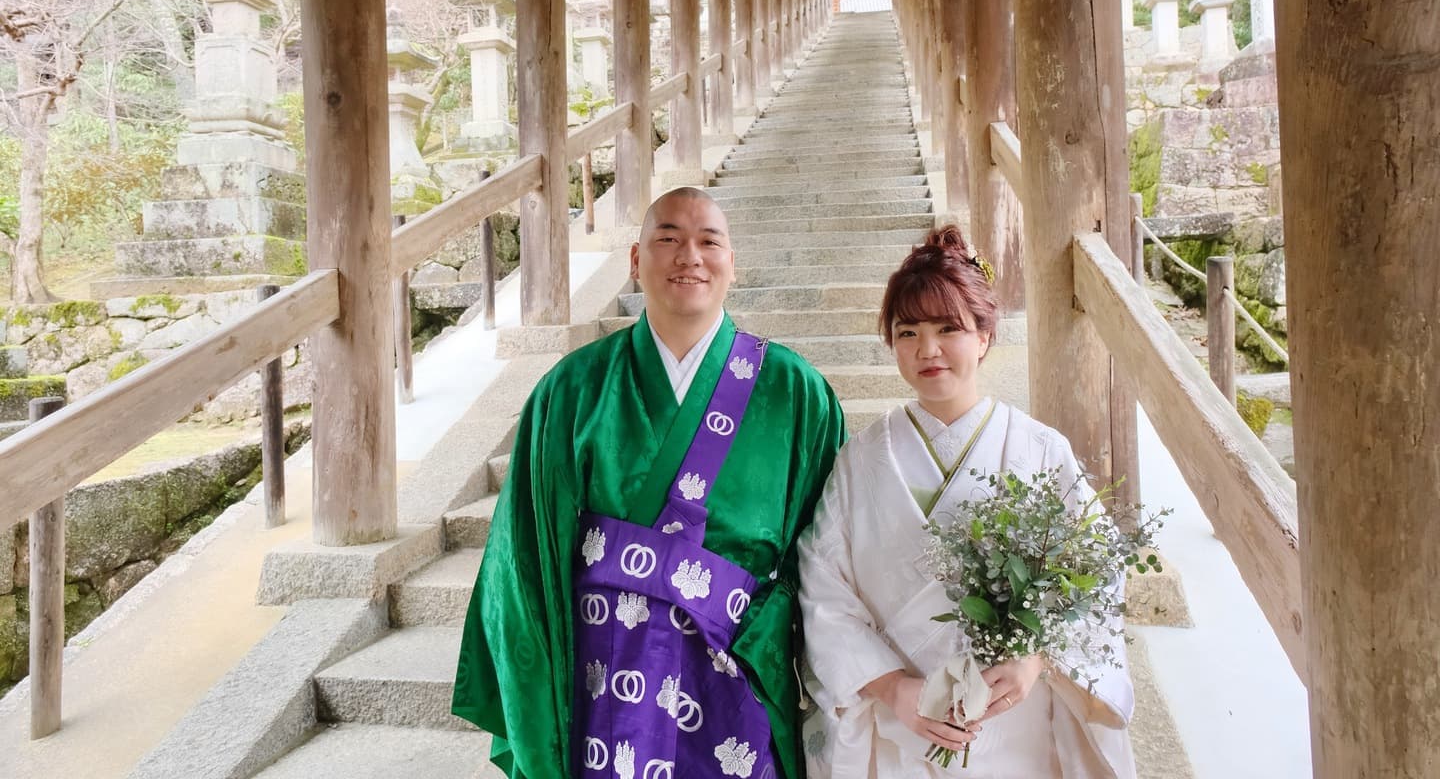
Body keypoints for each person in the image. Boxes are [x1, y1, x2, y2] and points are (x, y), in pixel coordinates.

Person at [453, 186, 846, 779]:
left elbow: (829, 556)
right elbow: (523, 564)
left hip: (733, 675)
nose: (689, 255)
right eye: (667, 239)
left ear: (731, 264)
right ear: (636, 262)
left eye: (708, 241)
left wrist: (761, 634)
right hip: (600, 682)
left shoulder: (795, 392)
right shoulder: (572, 391)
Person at [797, 225, 1137, 779]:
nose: (926, 349)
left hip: (1016, 720)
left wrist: (1036, 657)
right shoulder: (860, 459)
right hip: (904, 717)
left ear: (983, 336)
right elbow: (822, 586)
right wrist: (892, 687)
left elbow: (1097, 572)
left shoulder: (1039, 449)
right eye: (907, 332)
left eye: (947, 328)